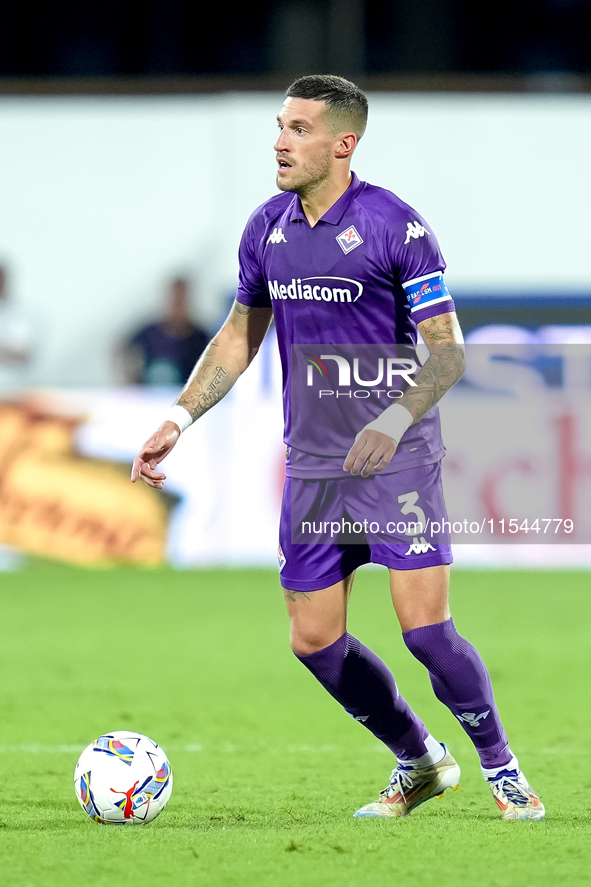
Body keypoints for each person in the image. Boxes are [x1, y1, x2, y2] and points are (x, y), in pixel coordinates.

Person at [131, 75, 544, 821]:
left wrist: (389, 422)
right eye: (279, 125)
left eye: (297, 128)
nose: (279, 140)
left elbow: (446, 353)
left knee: (425, 631)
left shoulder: (396, 226)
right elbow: (238, 332)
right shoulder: (266, 228)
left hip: (398, 458)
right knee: (314, 640)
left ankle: (502, 768)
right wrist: (179, 416)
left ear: (342, 143)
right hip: (315, 465)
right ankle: (418, 760)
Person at [122, 277, 209, 386]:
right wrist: (133, 378)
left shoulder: (200, 336)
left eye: (181, 301)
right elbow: (123, 351)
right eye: (174, 300)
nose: (177, 306)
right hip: (150, 396)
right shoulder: (149, 332)